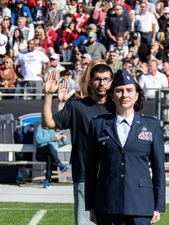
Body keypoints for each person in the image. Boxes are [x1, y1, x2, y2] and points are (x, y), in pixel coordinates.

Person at [85, 69, 165, 225]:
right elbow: (91, 168)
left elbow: (158, 168)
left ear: (137, 95)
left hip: (140, 204)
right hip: (107, 203)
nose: (124, 95)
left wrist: (158, 205)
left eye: (129, 90)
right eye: (119, 91)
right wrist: (91, 205)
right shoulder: (98, 124)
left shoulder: (151, 125)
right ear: (112, 96)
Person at [41, 64, 113, 225]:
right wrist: (48, 94)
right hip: (85, 175)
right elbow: (48, 124)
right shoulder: (77, 106)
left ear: (112, 82)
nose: (102, 84)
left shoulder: (120, 108)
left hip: (114, 176)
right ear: (91, 81)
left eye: (106, 79)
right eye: (97, 79)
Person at [35, 124, 70, 189]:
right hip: (41, 153)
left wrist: (64, 139)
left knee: (49, 156)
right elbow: (38, 139)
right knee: (49, 146)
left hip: (52, 155)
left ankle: (47, 181)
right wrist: (53, 138)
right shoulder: (41, 126)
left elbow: (67, 143)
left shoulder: (57, 129)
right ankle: (59, 164)